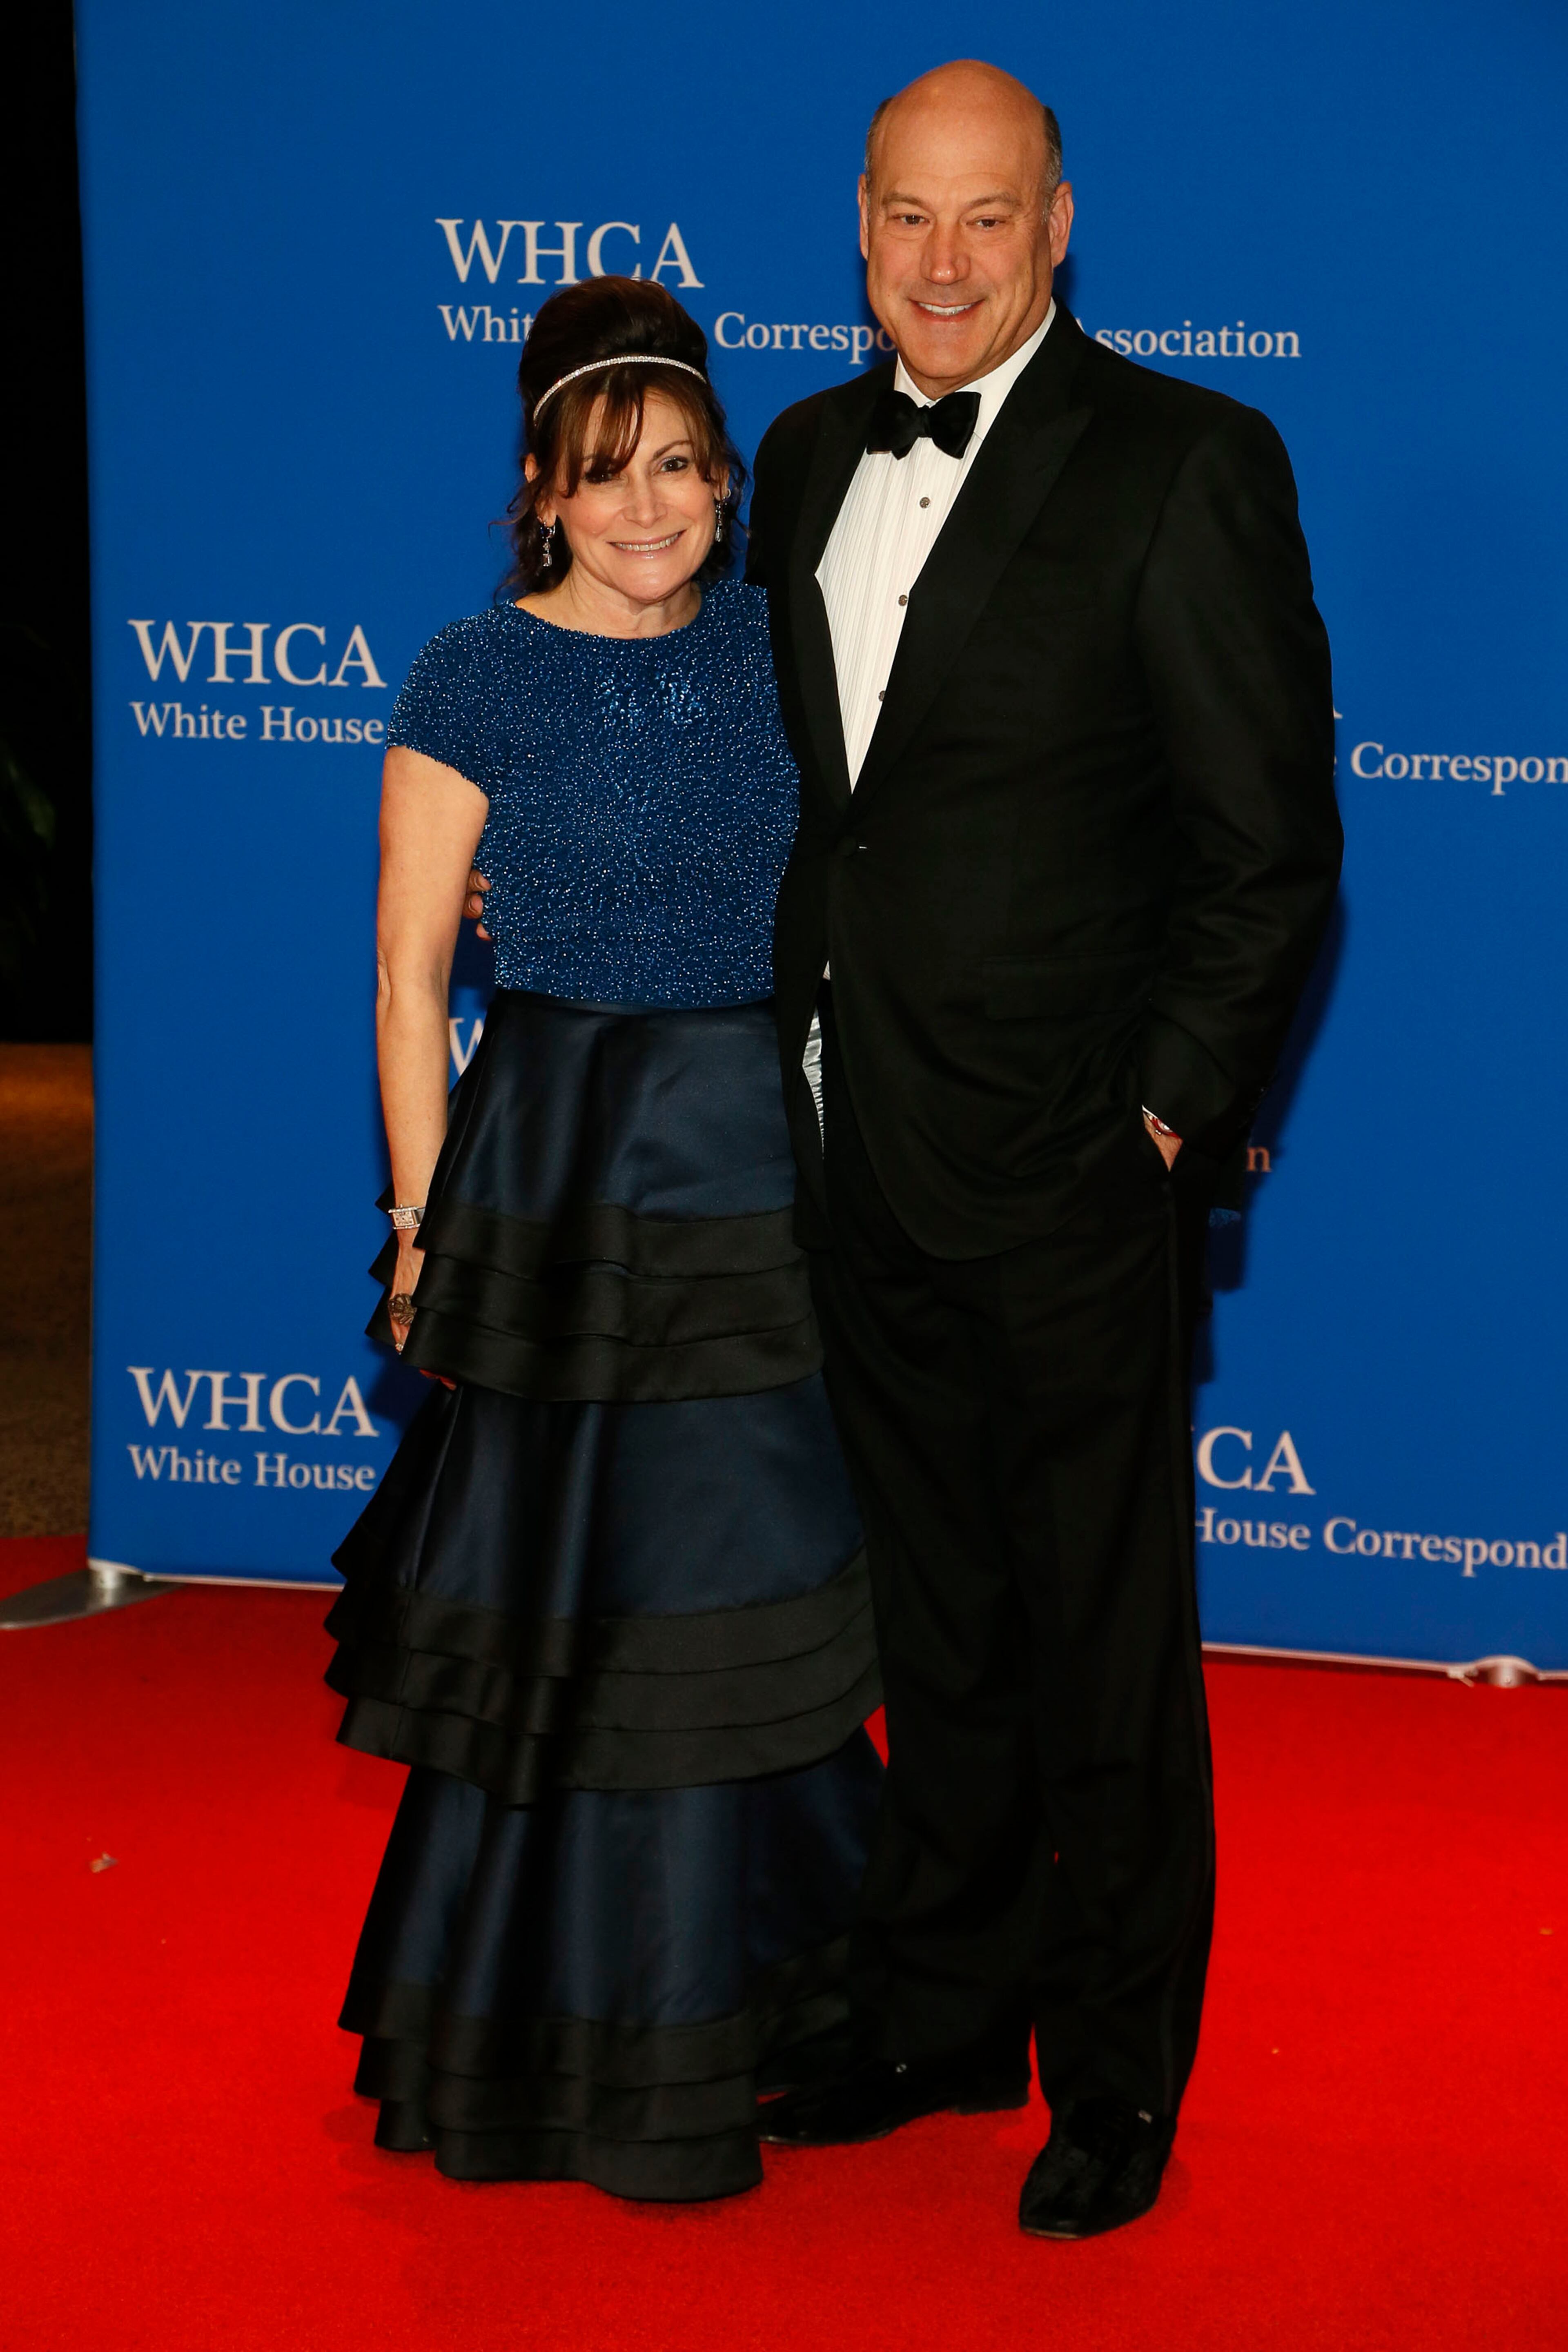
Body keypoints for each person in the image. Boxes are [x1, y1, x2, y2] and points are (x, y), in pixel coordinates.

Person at [745, 61, 1343, 2238]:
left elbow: (1270, 852)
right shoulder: (804, 456)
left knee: (1100, 1649)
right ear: (861, 224)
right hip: (853, 1150)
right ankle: (941, 2013)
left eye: (986, 216)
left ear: (1060, 226)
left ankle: (1114, 2074)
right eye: (908, 214)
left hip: (1075, 1176)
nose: (943, 260)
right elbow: (829, 820)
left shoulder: (1186, 461)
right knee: (938, 1624)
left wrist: (1162, 1118)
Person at [323, 274, 882, 2205]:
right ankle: (561, 2026)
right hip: (558, 1173)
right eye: (601, 472)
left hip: (756, 1177)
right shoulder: (471, 675)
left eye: (679, 468)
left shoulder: (785, 647)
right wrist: (424, 1230)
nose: (646, 507)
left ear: (728, 480)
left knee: (740, 1594)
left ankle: (785, 2000)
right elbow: (409, 980)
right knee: (570, 1605)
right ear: (542, 494)